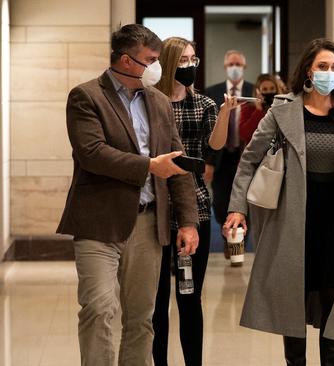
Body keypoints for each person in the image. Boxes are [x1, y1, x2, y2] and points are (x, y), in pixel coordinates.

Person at [222, 38, 334, 366]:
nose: (329, 72)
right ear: (308, 71)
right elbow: (249, 159)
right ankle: (295, 362)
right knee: (293, 298)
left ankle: (331, 361)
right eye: (322, 66)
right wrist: (237, 206)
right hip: (293, 218)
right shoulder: (285, 108)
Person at [57, 24, 200, 366]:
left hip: (149, 223)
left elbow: (176, 164)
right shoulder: (86, 96)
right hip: (99, 224)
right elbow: (92, 153)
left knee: (141, 317)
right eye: (151, 60)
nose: (158, 68)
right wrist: (150, 165)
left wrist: (189, 222)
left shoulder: (160, 102)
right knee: (99, 309)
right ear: (126, 60)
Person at [151, 36, 239, 366]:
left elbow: (212, 144)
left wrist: (226, 114)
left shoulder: (203, 103)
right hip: (158, 205)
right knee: (158, 299)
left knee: (189, 296)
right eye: (184, 60)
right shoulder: (151, 102)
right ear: (169, 64)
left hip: (196, 204)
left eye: (193, 60)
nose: (189, 66)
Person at [204, 51, 255, 264]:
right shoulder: (212, 92)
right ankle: (228, 239)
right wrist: (208, 161)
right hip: (222, 158)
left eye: (238, 64)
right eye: (231, 63)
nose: (235, 67)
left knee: (247, 200)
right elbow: (207, 130)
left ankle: (239, 244)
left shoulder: (253, 91)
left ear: (244, 66)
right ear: (225, 66)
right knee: (221, 202)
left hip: (247, 156)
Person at [239, 73, 287, 146]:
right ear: (258, 91)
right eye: (264, 89)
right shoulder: (248, 107)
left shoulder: (283, 106)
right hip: (254, 152)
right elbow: (243, 134)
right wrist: (258, 111)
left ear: (276, 89)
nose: (268, 92)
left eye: (272, 88)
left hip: (278, 153)